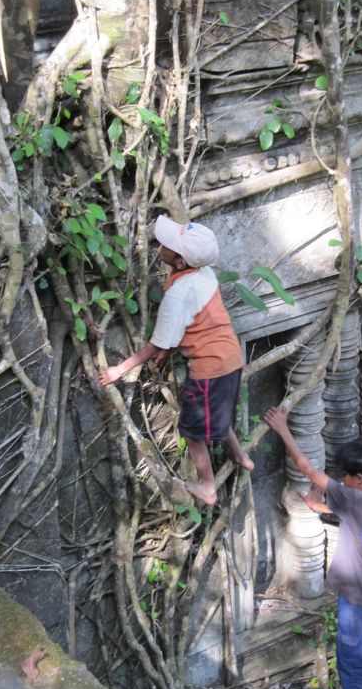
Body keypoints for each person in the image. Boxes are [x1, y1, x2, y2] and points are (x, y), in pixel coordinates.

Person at [99, 214, 254, 505]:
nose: (161, 245)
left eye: (167, 244)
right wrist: (167, 350)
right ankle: (241, 456)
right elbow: (189, 324)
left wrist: (119, 370)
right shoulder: (205, 274)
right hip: (231, 357)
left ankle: (207, 486)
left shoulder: (177, 294)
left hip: (209, 368)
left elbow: (156, 343)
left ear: (180, 262)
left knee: (193, 431)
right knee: (219, 413)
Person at [263, 406, 362, 689]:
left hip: (357, 598)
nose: (341, 480)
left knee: (351, 654)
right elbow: (348, 514)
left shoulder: (352, 498)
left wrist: (283, 429)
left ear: (359, 479)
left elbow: (308, 470)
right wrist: (318, 506)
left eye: (345, 476)